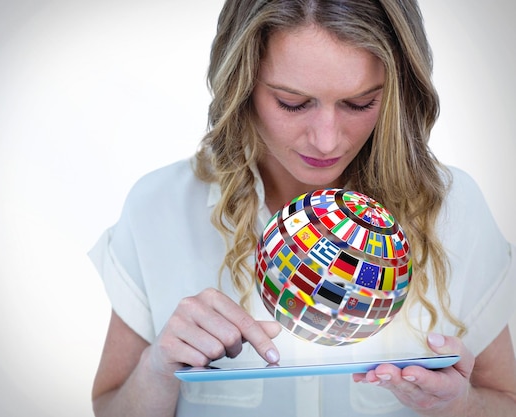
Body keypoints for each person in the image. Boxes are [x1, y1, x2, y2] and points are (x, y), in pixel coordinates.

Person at [89, 0, 516, 415]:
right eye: (292, 102)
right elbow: (109, 406)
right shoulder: (159, 207)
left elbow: (505, 401)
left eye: (360, 103)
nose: (327, 141)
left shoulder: (451, 208)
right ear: (242, 85)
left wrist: (458, 407)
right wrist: (158, 369)